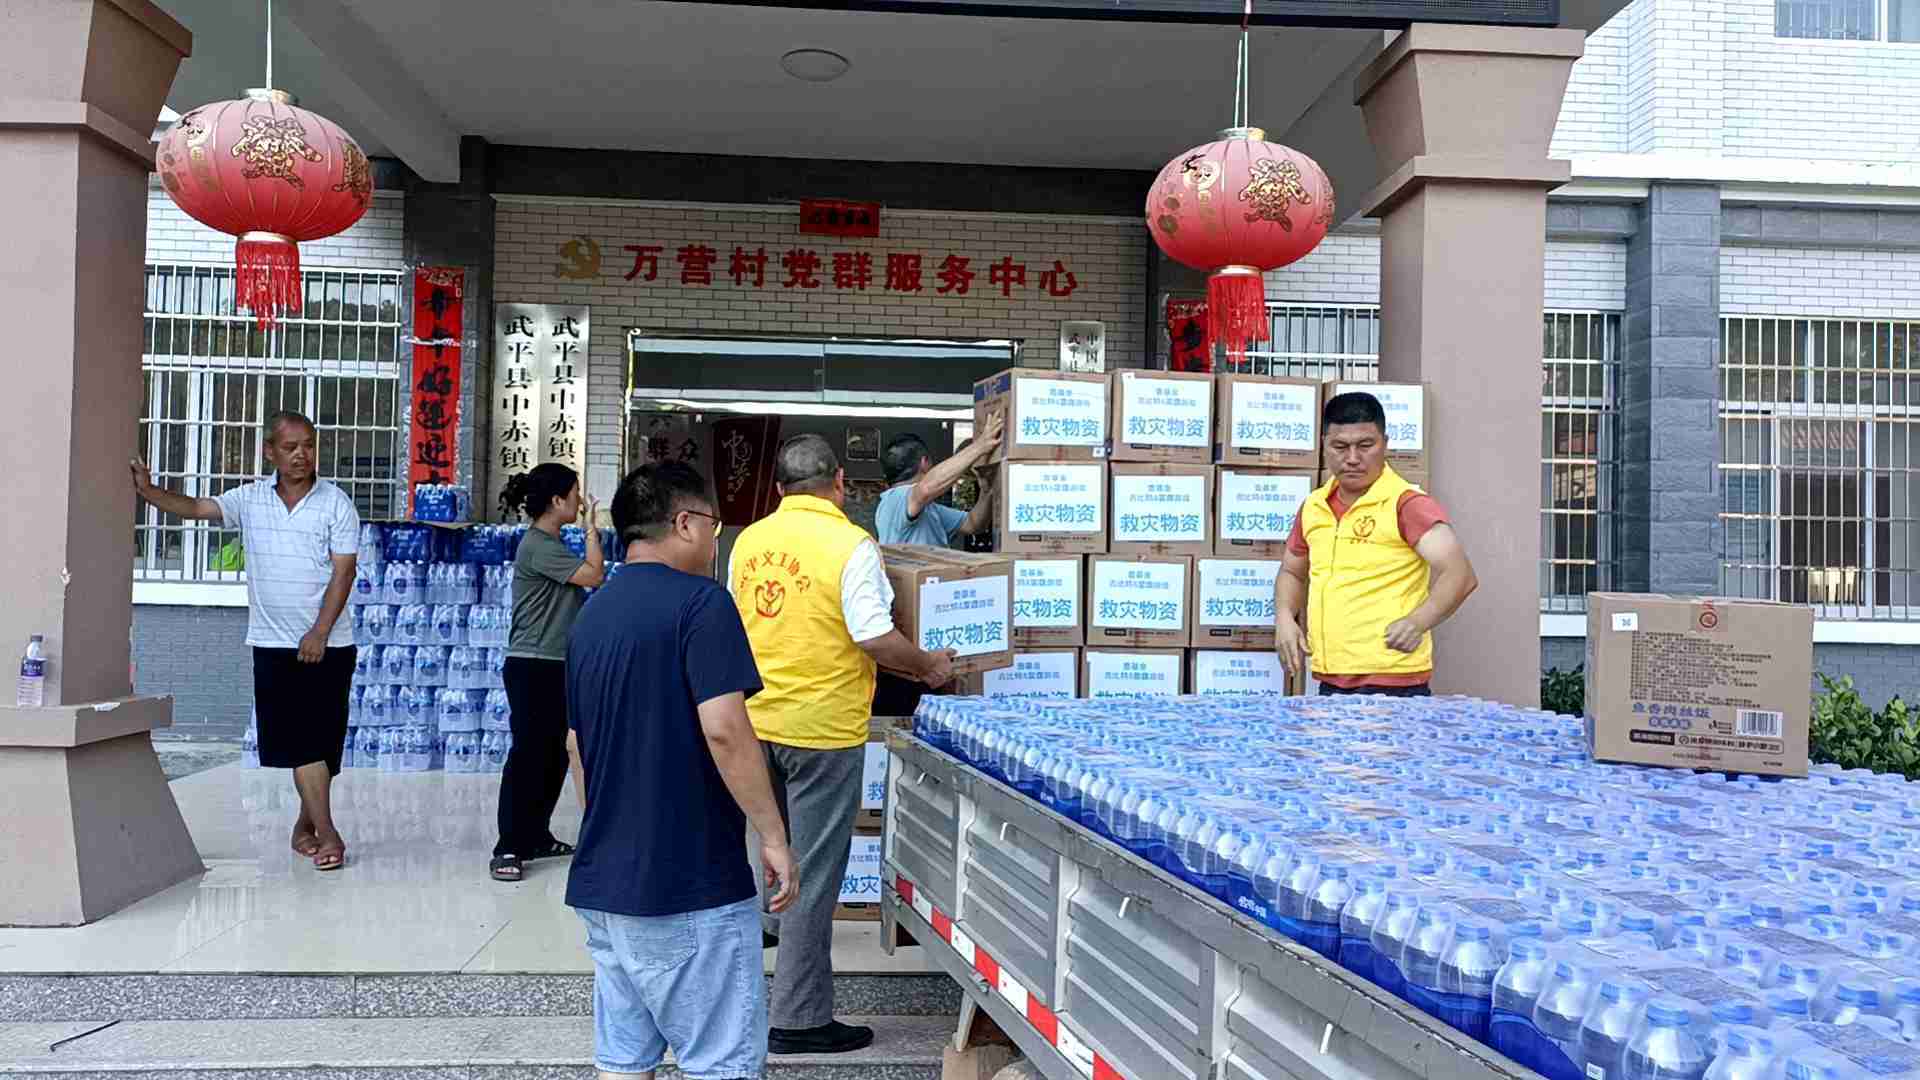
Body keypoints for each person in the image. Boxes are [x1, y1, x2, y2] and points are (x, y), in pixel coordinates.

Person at [566, 460, 796, 1080]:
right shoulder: (703, 604)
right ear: (686, 523)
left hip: (606, 885)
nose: (714, 542)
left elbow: (576, 746)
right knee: (721, 1062)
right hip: (689, 882)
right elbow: (725, 729)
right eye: (714, 527)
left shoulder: (592, 614)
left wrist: (607, 832)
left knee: (624, 1060)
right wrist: (773, 836)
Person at [729, 433, 955, 1056]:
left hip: (754, 721)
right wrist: (928, 667)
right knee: (812, 872)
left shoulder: (748, 541)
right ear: (837, 484)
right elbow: (873, 635)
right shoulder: (851, 545)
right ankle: (799, 1018)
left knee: (770, 846)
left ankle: (766, 937)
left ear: (779, 488)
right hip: (822, 730)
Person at [130, 411, 359, 871]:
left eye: (309, 445)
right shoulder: (250, 499)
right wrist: (150, 493)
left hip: (330, 645)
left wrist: (319, 631)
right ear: (270, 452)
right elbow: (198, 508)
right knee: (302, 744)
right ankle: (328, 831)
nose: (302, 455)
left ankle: (304, 826)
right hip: (273, 644)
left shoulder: (336, 503)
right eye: (291, 447)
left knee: (322, 746)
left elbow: (344, 571)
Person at [1274, 391, 1479, 697]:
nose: (1352, 458)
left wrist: (1418, 621)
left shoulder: (1406, 504)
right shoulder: (1314, 507)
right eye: (1340, 446)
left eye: (1365, 445)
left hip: (1394, 683)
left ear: (1385, 444)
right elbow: (1292, 571)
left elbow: (1460, 574)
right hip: (1331, 679)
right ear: (1324, 445)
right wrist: (1284, 617)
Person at [491, 463, 604, 883]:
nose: (580, 502)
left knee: (554, 754)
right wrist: (592, 531)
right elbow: (594, 575)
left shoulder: (550, 543)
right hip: (533, 664)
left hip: (555, 663)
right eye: (575, 494)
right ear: (557, 500)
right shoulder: (539, 545)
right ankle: (508, 845)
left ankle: (535, 835)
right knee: (528, 755)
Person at [872, 411, 1003, 548]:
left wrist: (986, 490)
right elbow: (925, 489)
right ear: (924, 463)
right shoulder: (895, 498)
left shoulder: (928, 510)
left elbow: (973, 524)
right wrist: (980, 446)